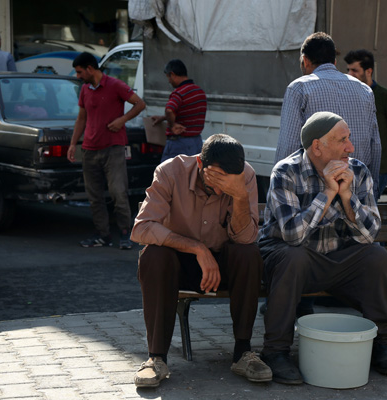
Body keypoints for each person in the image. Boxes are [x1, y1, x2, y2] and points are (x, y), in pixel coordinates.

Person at [259, 111, 387, 385]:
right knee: (294, 257)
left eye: (349, 138)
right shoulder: (286, 171)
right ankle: (276, 352)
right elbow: (292, 235)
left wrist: (347, 198)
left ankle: (383, 343)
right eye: (342, 140)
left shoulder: (358, 171)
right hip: (290, 260)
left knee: (375, 256)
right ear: (317, 146)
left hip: (337, 260)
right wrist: (327, 193)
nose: (350, 147)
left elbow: (370, 234)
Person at [130, 134, 272, 388]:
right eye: (215, 179)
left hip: (224, 263)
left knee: (248, 254)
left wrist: (239, 196)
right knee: (154, 255)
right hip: (179, 263)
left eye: (227, 182)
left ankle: (243, 352)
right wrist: (197, 249)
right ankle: (156, 358)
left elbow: (246, 237)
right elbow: (142, 228)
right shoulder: (170, 171)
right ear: (199, 163)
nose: (221, 190)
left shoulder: (245, 176)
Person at [274, 32, 381, 198]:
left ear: (305, 60)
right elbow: (375, 145)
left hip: (314, 195)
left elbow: (288, 146)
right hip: (355, 191)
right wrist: (370, 191)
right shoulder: (364, 90)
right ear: (335, 62)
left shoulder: (299, 88)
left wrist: (280, 188)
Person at [67, 52, 145, 249]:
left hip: (113, 149)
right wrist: (73, 144)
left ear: (90, 69)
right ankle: (103, 235)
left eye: (79, 72)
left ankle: (126, 233)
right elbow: (81, 119)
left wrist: (122, 120)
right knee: (94, 196)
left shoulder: (115, 85)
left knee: (118, 192)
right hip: (89, 150)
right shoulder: (85, 89)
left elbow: (140, 103)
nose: (77, 76)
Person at [344, 49, 387, 198]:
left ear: (368, 71)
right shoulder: (345, 94)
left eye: (354, 70)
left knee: (369, 211)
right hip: (348, 164)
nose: (349, 74)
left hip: (377, 168)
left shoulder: (385, 96)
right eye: (348, 70)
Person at [151, 59, 207, 162]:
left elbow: (169, 110)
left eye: (168, 77)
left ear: (172, 74)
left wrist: (172, 125)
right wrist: (163, 118)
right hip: (196, 142)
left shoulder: (179, 93)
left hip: (179, 143)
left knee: (168, 175)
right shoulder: (199, 92)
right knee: (193, 175)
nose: (169, 81)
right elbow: (188, 112)